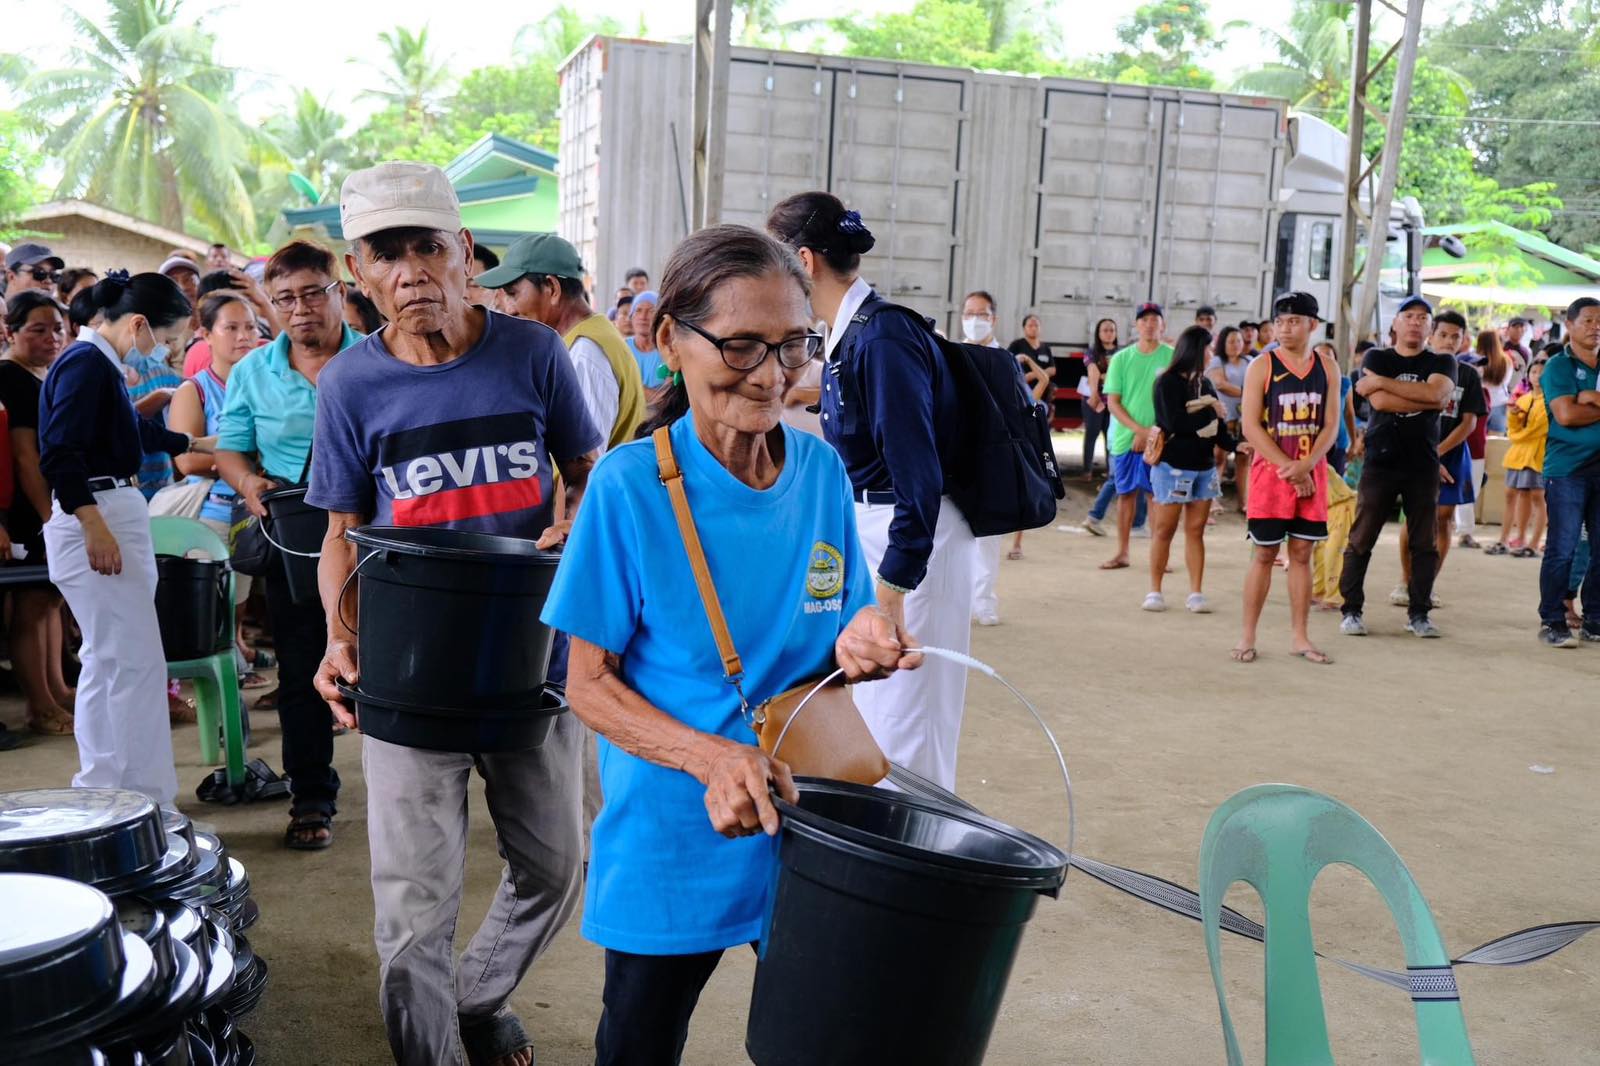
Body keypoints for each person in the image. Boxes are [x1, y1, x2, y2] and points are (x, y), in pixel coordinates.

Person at [543, 224, 916, 1064]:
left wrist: (866, 638)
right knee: (640, 1043)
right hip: (678, 837)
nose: (770, 374)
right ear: (671, 340)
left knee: (813, 1039)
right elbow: (588, 684)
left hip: (806, 827)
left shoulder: (819, 473)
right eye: (742, 345)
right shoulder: (628, 488)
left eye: (791, 346)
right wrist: (712, 760)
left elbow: (836, 627)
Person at [309, 162, 601, 1065]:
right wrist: (339, 635)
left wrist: (572, 516)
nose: (411, 273)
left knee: (557, 866)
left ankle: (478, 997)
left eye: (428, 247)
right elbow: (342, 534)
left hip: (530, 660)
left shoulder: (533, 354)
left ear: (465, 253)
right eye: (384, 254)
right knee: (412, 911)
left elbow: (589, 476)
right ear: (359, 272)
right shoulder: (351, 386)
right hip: (409, 672)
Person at [767, 190, 972, 789]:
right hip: (876, 529)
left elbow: (919, 475)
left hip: (911, 540)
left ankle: (919, 859)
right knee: (878, 712)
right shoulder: (848, 334)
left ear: (803, 261)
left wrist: (894, 589)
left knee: (909, 719)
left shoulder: (881, 337)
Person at [39, 271, 213, 804]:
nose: (162, 351)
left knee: (112, 659)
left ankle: (109, 789)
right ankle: (144, 799)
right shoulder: (87, 365)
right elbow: (59, 450)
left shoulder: (98, 364)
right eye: (164, 339)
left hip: (107, 506)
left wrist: (195, 439)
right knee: (134, 663)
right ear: (138, 324)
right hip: (98, 510)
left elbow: (128, 433)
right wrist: (93, 523)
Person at [216, 240, 360, 850]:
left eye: (311, 293)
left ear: (339, 293)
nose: (299, 309)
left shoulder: (377, 359)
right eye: (284, 299)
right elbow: (230, 448)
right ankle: (311, 796)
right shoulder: (253, 372)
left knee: (389, 662)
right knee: (303, 665)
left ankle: (421, 790)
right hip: (296, 532)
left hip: (375, 529)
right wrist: (247, 481)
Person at [1338, 297, 1457, 639]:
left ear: (1430, 327)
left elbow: (1438, 397)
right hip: (1380, 460)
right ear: (1396, 323)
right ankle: (1351, 610)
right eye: (1409, 316)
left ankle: (1419, 613)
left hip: (1423, 463)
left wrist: (1383, 383)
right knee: (1362, 538)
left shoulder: (1443, 360)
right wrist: (1421, 394)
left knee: (1425, 541)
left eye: (1423, 318)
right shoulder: (1377, 356)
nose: (1416, 322)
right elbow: (1379, 402)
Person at [1233, 292, 1339, 664]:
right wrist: (1291, 470)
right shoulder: (1262, 365)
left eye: (1294, 321)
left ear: (1312, 324)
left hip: (1312, 472)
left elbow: (1331, 424)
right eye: (1279, 321)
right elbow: (1251, 426)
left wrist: (1307, 465)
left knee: (1302, 553)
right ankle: (1247, 637)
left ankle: (1300, 637)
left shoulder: (1327, 367)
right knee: (1263, 553)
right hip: (1271, 474)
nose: (1285, 328)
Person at [476, 232, 646, 452]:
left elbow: (585, 467)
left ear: (552, 288)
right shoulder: (585, 340)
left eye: (513, 294)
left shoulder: (584, 354)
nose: (510, 309)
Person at [168, 292, 260, 676]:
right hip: (212, 516)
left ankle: (235, 657)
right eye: (231, 327)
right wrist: (243, 463)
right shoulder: (196, 390)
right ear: (205, 333)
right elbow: (186, 460)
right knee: (214, 608)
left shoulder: (262, 385)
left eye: (251, 327)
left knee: (239, 603)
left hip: (254, 513)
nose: (244, 336)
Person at [0, 292, 77, 735]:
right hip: (32, 509)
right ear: (11, 331)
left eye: (58, 330)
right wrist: (49, 516)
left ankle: (57, 689)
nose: (51, 338)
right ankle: (39, 703)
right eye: (38, 329)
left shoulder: (39, 374)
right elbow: (25, 457)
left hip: (50, 504)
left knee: (50, 598)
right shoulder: (9, 377)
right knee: (31, 604)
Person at [1391, 310, 1482, 604]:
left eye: (1455, 336)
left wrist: (1439, 454)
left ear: (1464, 340)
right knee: (1414, 518)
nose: (1448, 340)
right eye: (1443, 334)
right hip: (1415, 450)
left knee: (1442, 519)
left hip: (1451, 454)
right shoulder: (1418, 367)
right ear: (1431, 334)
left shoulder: (1468, 375)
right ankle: (1405, 582)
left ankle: (1426, 584)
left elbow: (1469, 422)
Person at [1147, 325, 1235, 613]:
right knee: (1164, 530)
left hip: (1204, 468)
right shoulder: (1167, 382)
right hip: (1173, 467)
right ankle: (1155, 591)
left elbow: (1219, 429)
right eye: (1208, 349)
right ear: (1195, 351)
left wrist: (1236, 445)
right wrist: (1209, 419)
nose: (1212, 354)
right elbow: (1173, 423)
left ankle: (1196, 593)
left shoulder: (1205, 385)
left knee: (1195, 531)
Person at [1535, 296, 1600, 648]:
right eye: (1588, 320)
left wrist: (1591, 398)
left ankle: (1595, 619)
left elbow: (1580, 409)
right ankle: (1552, 619)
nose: (1596, 327)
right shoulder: (1559, 367)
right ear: (1571, 325)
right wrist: (1580, 402)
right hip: (1567, 469)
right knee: (1563, 546)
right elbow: (1567, 416)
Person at [1099, 301, 1172, 570]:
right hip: (1124, 439)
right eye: (1145, 320)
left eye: (1155, 319)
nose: (1150, 324)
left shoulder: (1172, 357)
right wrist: (1139, 431)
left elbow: (1175, 401)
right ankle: (1122, 552)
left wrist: (1153, 433)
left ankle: (1158, 555)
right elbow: (1113, 402)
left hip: (1161, 439)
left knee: (1157, 497)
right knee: (1126, 495)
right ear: (1136, 325)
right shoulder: (1121, 358)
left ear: (1163, 325)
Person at [961, 290, 1010, 620]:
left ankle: (984, 599)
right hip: (956, 457)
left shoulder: (1003, 361)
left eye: (981, 314)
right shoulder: (951, 355)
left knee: (988, 536)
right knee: (953, 534)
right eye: (969, 314)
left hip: (993, 458)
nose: (974, 320)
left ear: (993, 319)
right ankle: (960, 599)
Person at [1488, 355, 1548, 557]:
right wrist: (1515, 417)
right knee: (1513, 495)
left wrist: (1519, 430)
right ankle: (1507, 539)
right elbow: (1511, 429)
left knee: (1538, 498)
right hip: (1518, 454)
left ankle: (1533, 543)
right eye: (1534, 372)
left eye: (1542, 373)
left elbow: (1539, 429)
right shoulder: (1523, 399)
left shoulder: (1549, 402)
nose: (1537, 376)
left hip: (1537, 455)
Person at [1205, 325, 1252, 513]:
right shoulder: (1217, 361)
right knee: (1218, 459)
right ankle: (1212, 500)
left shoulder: (1249, 361)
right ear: (1222, 343)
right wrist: (1251, 394)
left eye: (1239, 341)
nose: (1235, 345)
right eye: (1231, 341)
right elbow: (1220, 384)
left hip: (1245, 418)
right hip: (1224, 417)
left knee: (1244, 459)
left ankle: (1244, 502)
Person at [1080, 317, 1118, 483]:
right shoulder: (1091, 352)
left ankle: (1111, 471)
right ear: (1098, 333)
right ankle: (1087, 470)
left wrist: (1105, 375)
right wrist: (1103, 378)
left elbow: (1120, 376)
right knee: (1092, 434)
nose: (1109, 333)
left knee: (1111, 436)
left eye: (1112, 330)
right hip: (1094, 400)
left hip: (1115, 402)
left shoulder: (1122, 353)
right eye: (1105, 330)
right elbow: (1093, 371)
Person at [1008, 312, 1056, 412]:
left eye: (1036, 325)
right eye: (1030, 326)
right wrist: (1023, 378)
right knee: (1030, 416)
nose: (1034, 328)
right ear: (1024, 328)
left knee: (1041, 417)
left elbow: (1052, 369)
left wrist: (1034, 375)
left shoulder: (1045, 347)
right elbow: (1007, 365)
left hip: (1043, 392)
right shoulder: (1017, 345)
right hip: (1023, 392)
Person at [627, 290, 665, 386]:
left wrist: (632, 388)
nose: (643, 317)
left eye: (651, 311)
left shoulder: (668, 350)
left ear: (659, 317)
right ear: (631, 317)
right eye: (638, 310)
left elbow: (666, 397)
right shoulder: (621, 348)